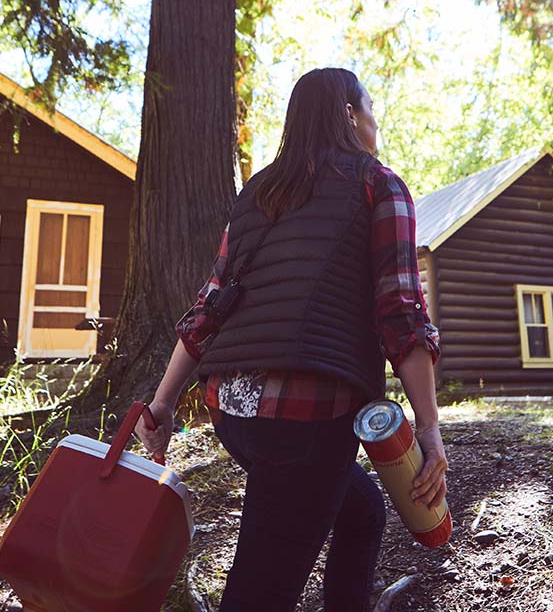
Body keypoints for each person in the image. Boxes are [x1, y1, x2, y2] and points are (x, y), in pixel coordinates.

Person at [135, 67, 448, 612]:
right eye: (371, 107)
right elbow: (400, 310)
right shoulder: (379, 183)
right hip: (307, 419)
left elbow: (210, 304)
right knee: (260, 593)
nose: (377, 121)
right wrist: (428, 428)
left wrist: (162, 404)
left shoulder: (260, 191)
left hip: (234, 416)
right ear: (350, 116)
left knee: (363, 509)